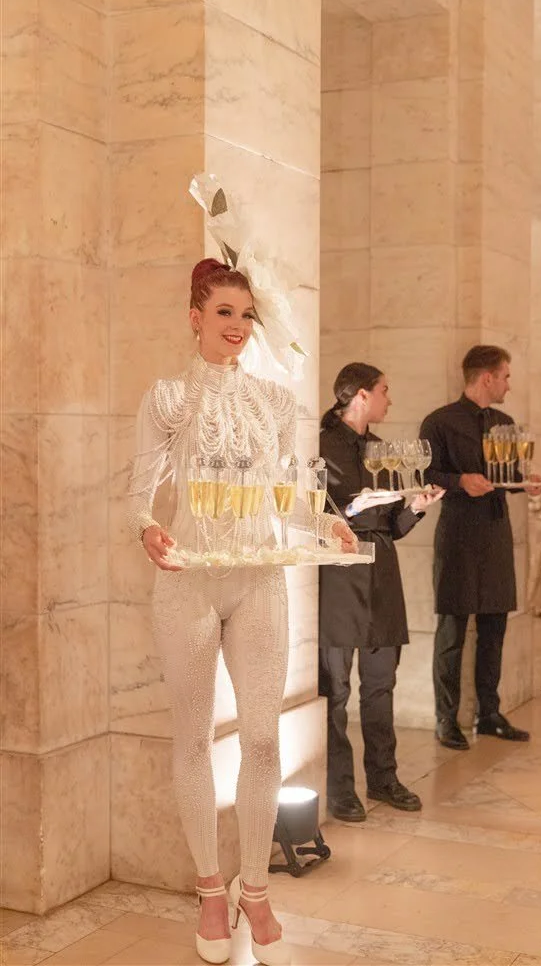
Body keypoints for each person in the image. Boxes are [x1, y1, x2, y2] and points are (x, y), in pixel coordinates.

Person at [128, 186, 354, 966]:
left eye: (247, 315)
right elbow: (138, 493)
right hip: (188, 581)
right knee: (194, 738)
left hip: (260, 580)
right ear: (195, 317)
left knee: (261, 740)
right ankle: (208, 889)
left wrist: (324, 521)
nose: (237, 325)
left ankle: (253, 886)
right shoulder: (167, 399)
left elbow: (288, 495)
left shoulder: (276, 403)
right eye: (224, 312)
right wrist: (147, 528)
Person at [319, 363, 444, 822]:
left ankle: (383, 778)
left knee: (380, 684)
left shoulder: (381, 450)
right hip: (338, 574)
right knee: (334, 691)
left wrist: (416, 508)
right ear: (361, 395)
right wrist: (352, 508)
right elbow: (309, 513)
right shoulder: (318, 445)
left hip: (382, 573)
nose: (390, 399)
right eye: (384, 391)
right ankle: (338, 789)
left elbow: (393, 525)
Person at [420, 345, 541, 750]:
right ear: (487, 377)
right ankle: (446, 719)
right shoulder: (439, 421)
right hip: (457, 534)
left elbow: (508, 473)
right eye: (505, 376)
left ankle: (489, 713)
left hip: (496, 533)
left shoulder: (505, 424)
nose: (509, 384)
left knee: (495, 628)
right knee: (452, 631)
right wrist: (459, 481)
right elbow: (424, 473)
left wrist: (526, 482)